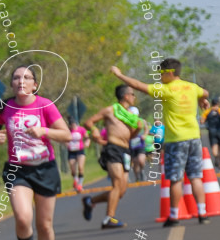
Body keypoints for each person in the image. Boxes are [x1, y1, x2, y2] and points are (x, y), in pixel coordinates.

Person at [0, 64, 71, 240]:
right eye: (16, 78)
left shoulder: (45, 106)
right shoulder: (4, 107)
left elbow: (66, 135)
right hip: (17, 169)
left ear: (35, 84)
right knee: (23, 218)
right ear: (11, 84)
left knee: (44, 225)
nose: (21, 82)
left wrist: (45, 131)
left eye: (26, 78)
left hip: (45, 168)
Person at [111, 60, 209, 227]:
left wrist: (119, 75)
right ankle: (202, 212)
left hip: (176, 140)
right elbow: (205, 92)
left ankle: (173, 216)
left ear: (170, 73)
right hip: (194, 138)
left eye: (161, 73)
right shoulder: (192, 87)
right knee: (195, 177)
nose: (160, 77)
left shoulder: (167, 90)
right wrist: (202, 101)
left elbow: (138, 85)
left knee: (176, 179)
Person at [81, 85, 140, 229]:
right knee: (117, 183)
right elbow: (88, 122)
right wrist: (94, 131)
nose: (134, 97)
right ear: (126, 96)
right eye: (133, 94)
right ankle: (109, 218)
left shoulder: (130, 116)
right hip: (112, 149)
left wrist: (137, 129)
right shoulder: (111, 110)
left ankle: (90, 201)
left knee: (121, 191)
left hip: (126, 151)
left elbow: (130, 136)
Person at [203, 99, 220, 172]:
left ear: (212, 103)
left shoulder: (207, 111)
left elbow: (201, 120)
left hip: (211, 131)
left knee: (214, 146)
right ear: (218, 103)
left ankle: (216, 157)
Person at [65, 117, 88, 192]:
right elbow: (64, 139)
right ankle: (75, 179)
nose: (73, 125)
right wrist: (66, 144)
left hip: (80, 150)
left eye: (74, 123)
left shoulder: (81, 129)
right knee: (73, 170)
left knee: (81, 168)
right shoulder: (68, 131)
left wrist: (87, 142)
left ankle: (80, 185)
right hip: (71, 151)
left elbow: (87, 137)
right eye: (71, 124)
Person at [129, 114, 149, 183]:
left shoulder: (142, 121)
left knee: (141, 160)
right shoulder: (128, 121)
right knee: (135, 162)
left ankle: (142, 171)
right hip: (132, 145)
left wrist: (145, 135)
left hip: (141, 144)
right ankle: (137, 176)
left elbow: (146, 129)